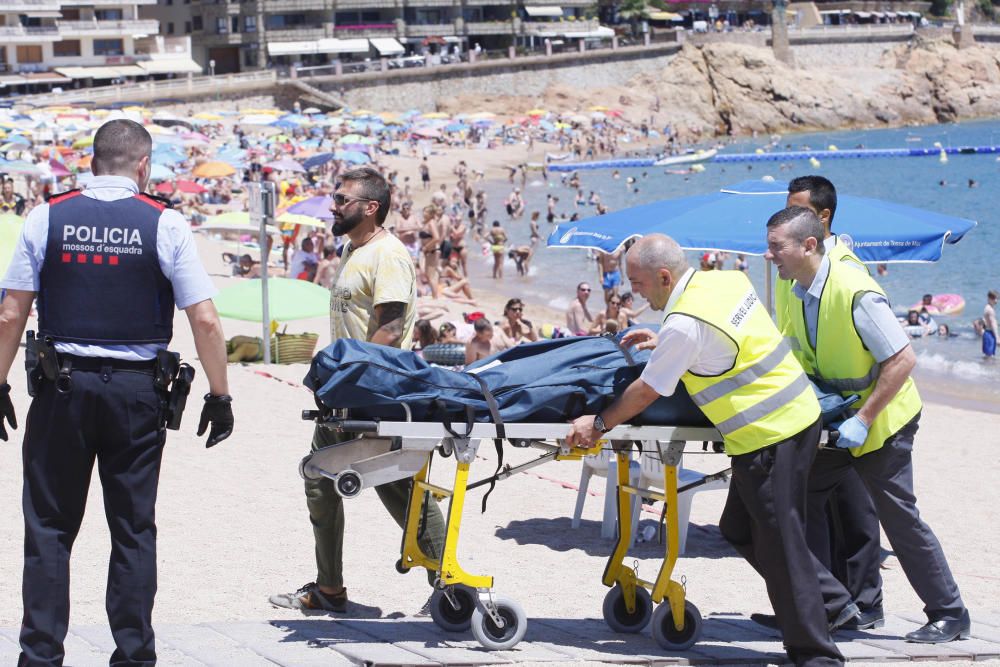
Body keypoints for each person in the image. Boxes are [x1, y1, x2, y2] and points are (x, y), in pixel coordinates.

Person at [0, 119, 234, 665]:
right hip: (136, 394)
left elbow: (12, 311)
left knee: (51, 527)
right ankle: (132, 656)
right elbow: (205, 320)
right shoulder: (165, 223)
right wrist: (219, 396)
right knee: (132, 529)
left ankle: (40, 656)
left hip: (62, 388)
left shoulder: (46, 216)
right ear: (143, 166)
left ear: (91, 163)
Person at [566, 234, 843, 667]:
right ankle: (830, 598)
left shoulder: (683, 324)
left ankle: (816, 654)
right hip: (796, 415)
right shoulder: (723, 282)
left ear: (663, 276)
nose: (633, 290)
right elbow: (718, 336)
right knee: (739, 528)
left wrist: (598, 424)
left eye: (637, 282)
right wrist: (666, 339)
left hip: (770, 434)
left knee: (781, 548)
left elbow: (648, 391)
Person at [765, 206, 970, 644]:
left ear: (808, 245)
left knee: (899, 519)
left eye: (775, 247)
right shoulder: (797, 287)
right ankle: (826, 605)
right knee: (797, 504)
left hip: (883, 422)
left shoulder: (854, 289)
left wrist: (862, 420)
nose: (769, 257)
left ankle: (950, 614)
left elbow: (903, 359)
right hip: (842, 420)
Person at [270, 166, 445, 614]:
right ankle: (330, 589)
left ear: (371, 208)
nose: (333, 205)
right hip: (345, 394)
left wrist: (347, 381)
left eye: (341, 199)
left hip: (374, 396)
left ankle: (450, 585)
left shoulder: (388, 255)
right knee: (319, 480)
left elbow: (387, 330)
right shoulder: (354, 250)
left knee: (401, 493)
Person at [778, 175, 884, 631]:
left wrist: (860, 414)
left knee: (855, 510)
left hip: (857, 406)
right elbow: (791, 329)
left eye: (797, 210)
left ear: (822, 219)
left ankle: (865, 605)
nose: (788, 218)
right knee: (816, 504)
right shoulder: (793, 263)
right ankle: (825, 603)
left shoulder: (844, 267)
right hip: (816, 399)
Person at [983, 290, 998, 358]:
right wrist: (997, 338)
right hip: (990, 334)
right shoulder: (990, 310)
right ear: (989, 298)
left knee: (989, 355)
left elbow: (988, 322)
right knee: (989, 356)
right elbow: (993, 324)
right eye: (994, 298)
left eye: (997, 298)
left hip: (988, 333)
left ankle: (986, 368)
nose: (996, 301)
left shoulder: (987, 308)